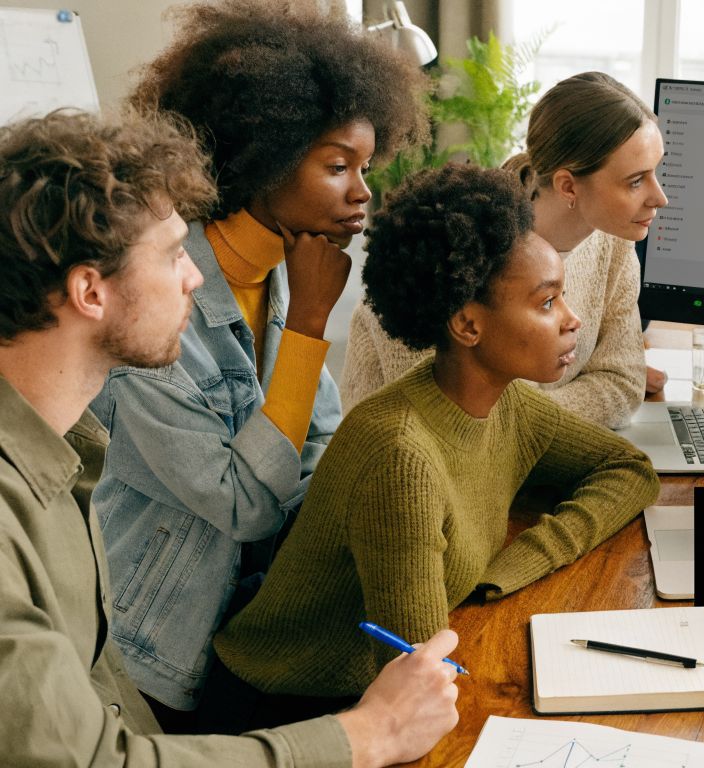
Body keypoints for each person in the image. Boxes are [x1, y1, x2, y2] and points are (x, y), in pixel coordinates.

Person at [0, 108, 459, 768]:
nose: (193, 276)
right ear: (89, 292)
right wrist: (369, 734)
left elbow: (110, 712)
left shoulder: (69, 453)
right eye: (171, 254)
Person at [211, 163, 660, 718]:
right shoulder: (400, 455)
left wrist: (511, 568)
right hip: (289, 711)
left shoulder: (507, 402)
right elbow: (418, 689)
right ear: (468, 326)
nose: (572, 320)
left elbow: (630, 471)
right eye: (546, 302)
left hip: (376, 693)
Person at [87, 0, 428, 723]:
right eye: (338, 167)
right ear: (261, 159)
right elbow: (240, 502)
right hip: (152, 658)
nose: (362, 191)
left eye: (366, 167)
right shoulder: (154, 308)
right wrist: (309, 323)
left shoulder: (283, 271)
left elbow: (318, 453)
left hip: (247, 633)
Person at [341, 71, 669, 427]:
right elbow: (453, 424)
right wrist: (566, 412)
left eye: (655, 172)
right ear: (568, 186)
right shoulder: (455, 255)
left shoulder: (613, 241)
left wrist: (518, 425)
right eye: (636, 181)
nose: (660, 197)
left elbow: (622, 384)